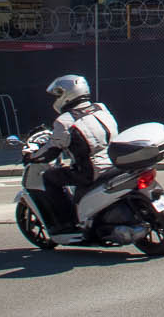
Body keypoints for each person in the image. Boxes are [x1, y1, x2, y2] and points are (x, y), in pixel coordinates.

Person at [32, 74, 118, 235]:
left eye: (58, 93)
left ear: (68, 93)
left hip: (91, 170)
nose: (56, 98)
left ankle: (65, 222)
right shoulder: (100, 107)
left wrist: (33, 156)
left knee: (49, 177)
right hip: (115, 161)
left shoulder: (64, 121)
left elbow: (52, 149)